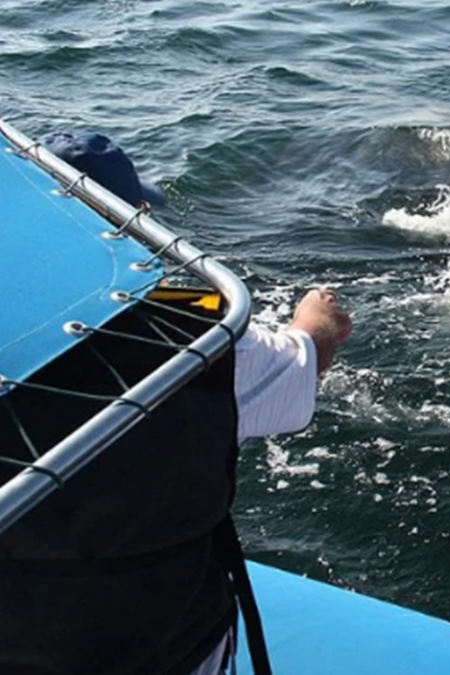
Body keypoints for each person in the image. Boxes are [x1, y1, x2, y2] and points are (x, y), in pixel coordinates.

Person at [0, 130, 352, 675]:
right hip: (175, 647)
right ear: (135, 217)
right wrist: (318, 317)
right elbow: (304, 363)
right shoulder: (199, 336)